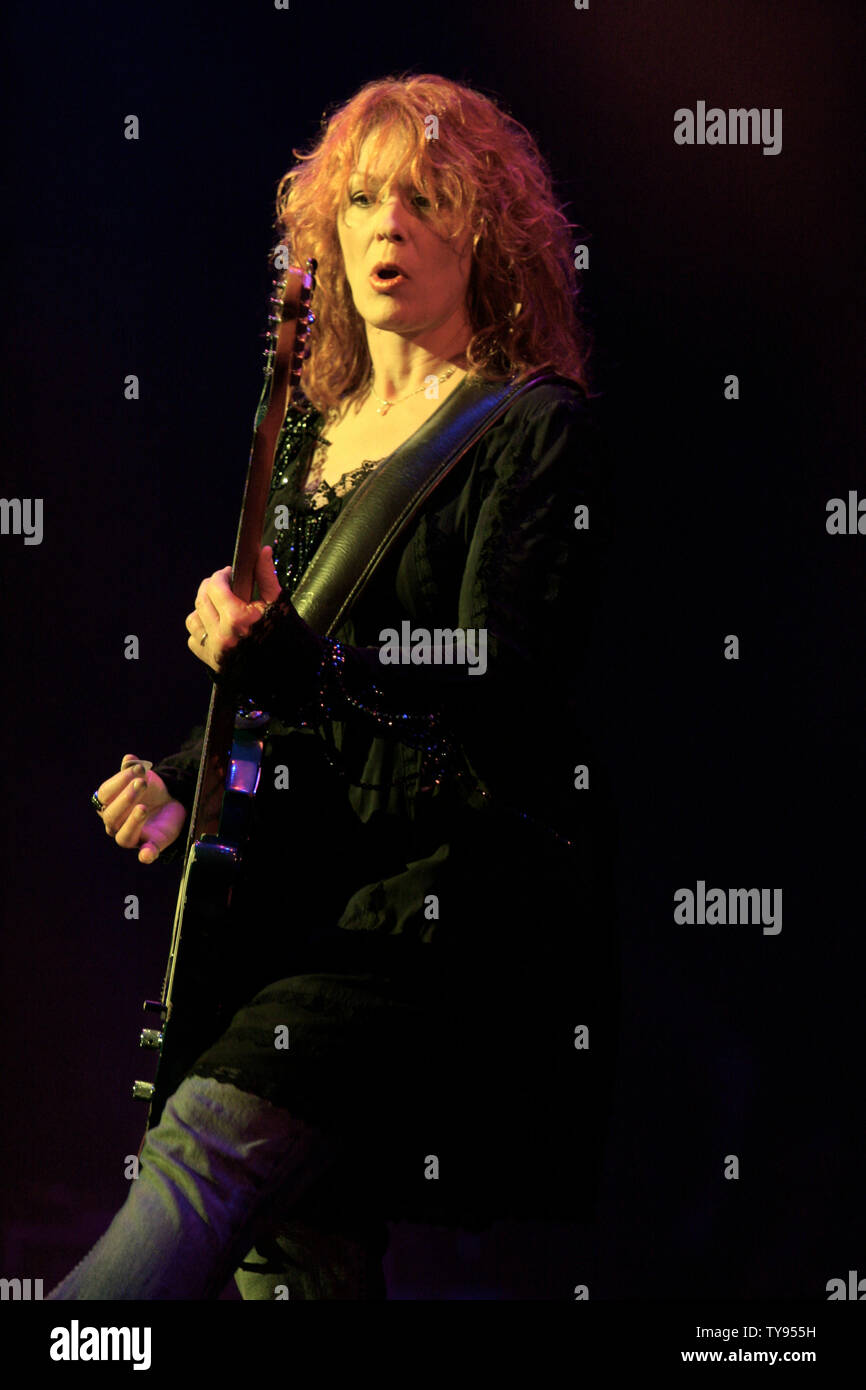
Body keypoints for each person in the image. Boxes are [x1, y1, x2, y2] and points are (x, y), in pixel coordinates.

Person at [48, 72, 618, 1301]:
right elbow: (296, 699)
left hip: (417, 923)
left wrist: (290, 657)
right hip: (288, 901)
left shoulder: (533, 432)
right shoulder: (313, 435)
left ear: (484, 231)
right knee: (295, 1261)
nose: (384, 227)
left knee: (198, 1156)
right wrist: (187, 782)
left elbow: (493, 694)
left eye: (422, 199)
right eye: (360, 200)